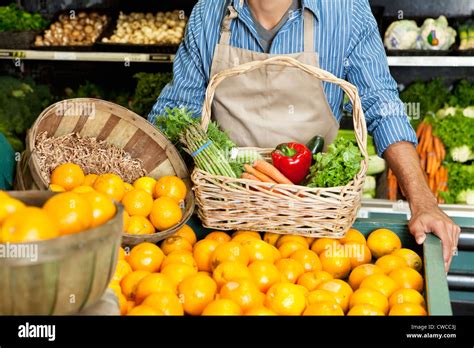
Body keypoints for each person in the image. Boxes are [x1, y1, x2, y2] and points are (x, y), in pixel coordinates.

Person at [149, 0, 460, 270]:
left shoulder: (346, 10)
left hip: (314, 224)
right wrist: (141, 187)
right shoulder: (207, 13)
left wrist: (422, 201)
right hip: (224, 225)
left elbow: (381, 104)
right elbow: (177, 111)